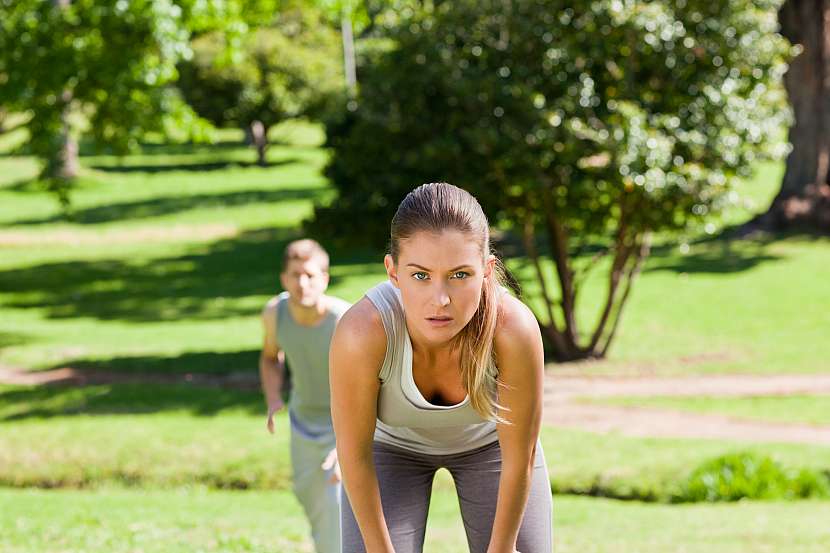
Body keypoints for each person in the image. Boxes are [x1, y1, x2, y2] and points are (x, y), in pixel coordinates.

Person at [330, 183, 552, 553]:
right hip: (391, 450)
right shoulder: (362, 332)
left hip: (492, 449)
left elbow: (520, 455)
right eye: (420, 275)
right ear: (393, 271)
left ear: (486, 270)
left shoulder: (512, 329)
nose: (441, 299)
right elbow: (354, 454)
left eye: (460, 274)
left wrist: (502, 548)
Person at [259, 238, 351, 553]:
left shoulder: (345, 321)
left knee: (335, 503)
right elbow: (270, 357)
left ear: (324, 278)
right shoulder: (275, 313)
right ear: (283, 279)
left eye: (310, 275)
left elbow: (372, 385)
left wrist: (349, 443)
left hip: (342, 426)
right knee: (311, 500)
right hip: (302, 424)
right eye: (295, 274)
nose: (302, 283)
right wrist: (273, 399)